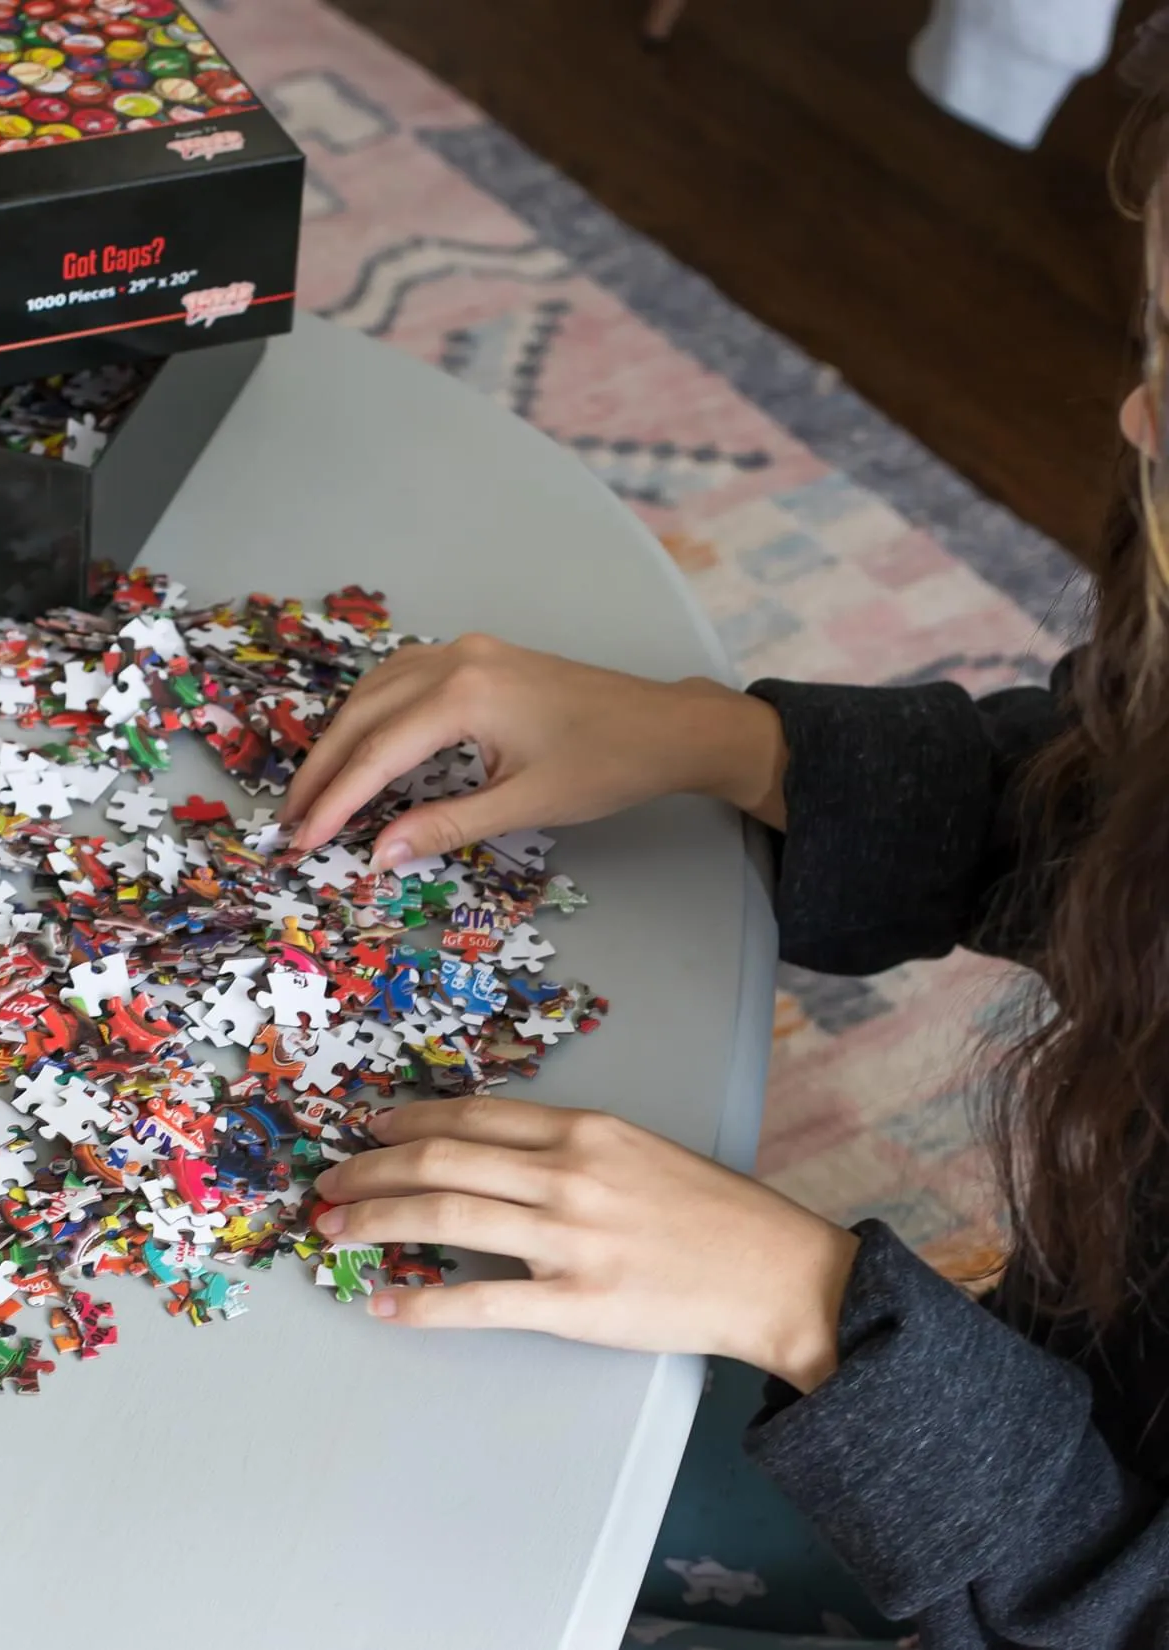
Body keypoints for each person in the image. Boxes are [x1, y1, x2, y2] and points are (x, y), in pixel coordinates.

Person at [282, 14, 1169, 1649]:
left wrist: (813, 1306)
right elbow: (1102, 803)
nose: (1134, 415)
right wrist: (723, 739)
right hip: (1049, 1426)